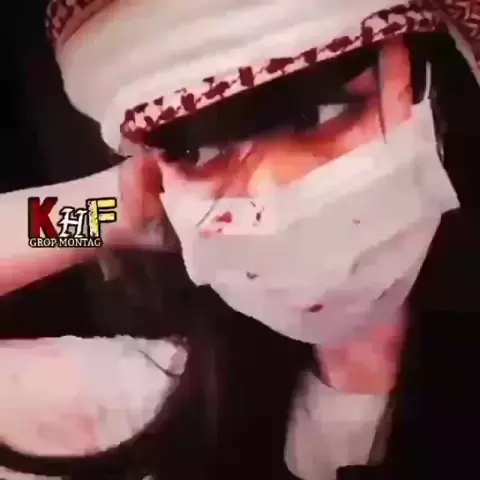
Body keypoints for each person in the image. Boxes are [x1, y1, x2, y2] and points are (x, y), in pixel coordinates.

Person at [1, 0, 479, 479]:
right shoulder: (157, 404)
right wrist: (119, 207)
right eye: (194, 150)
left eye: (321, 112)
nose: (269, 192)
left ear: (430, 93)